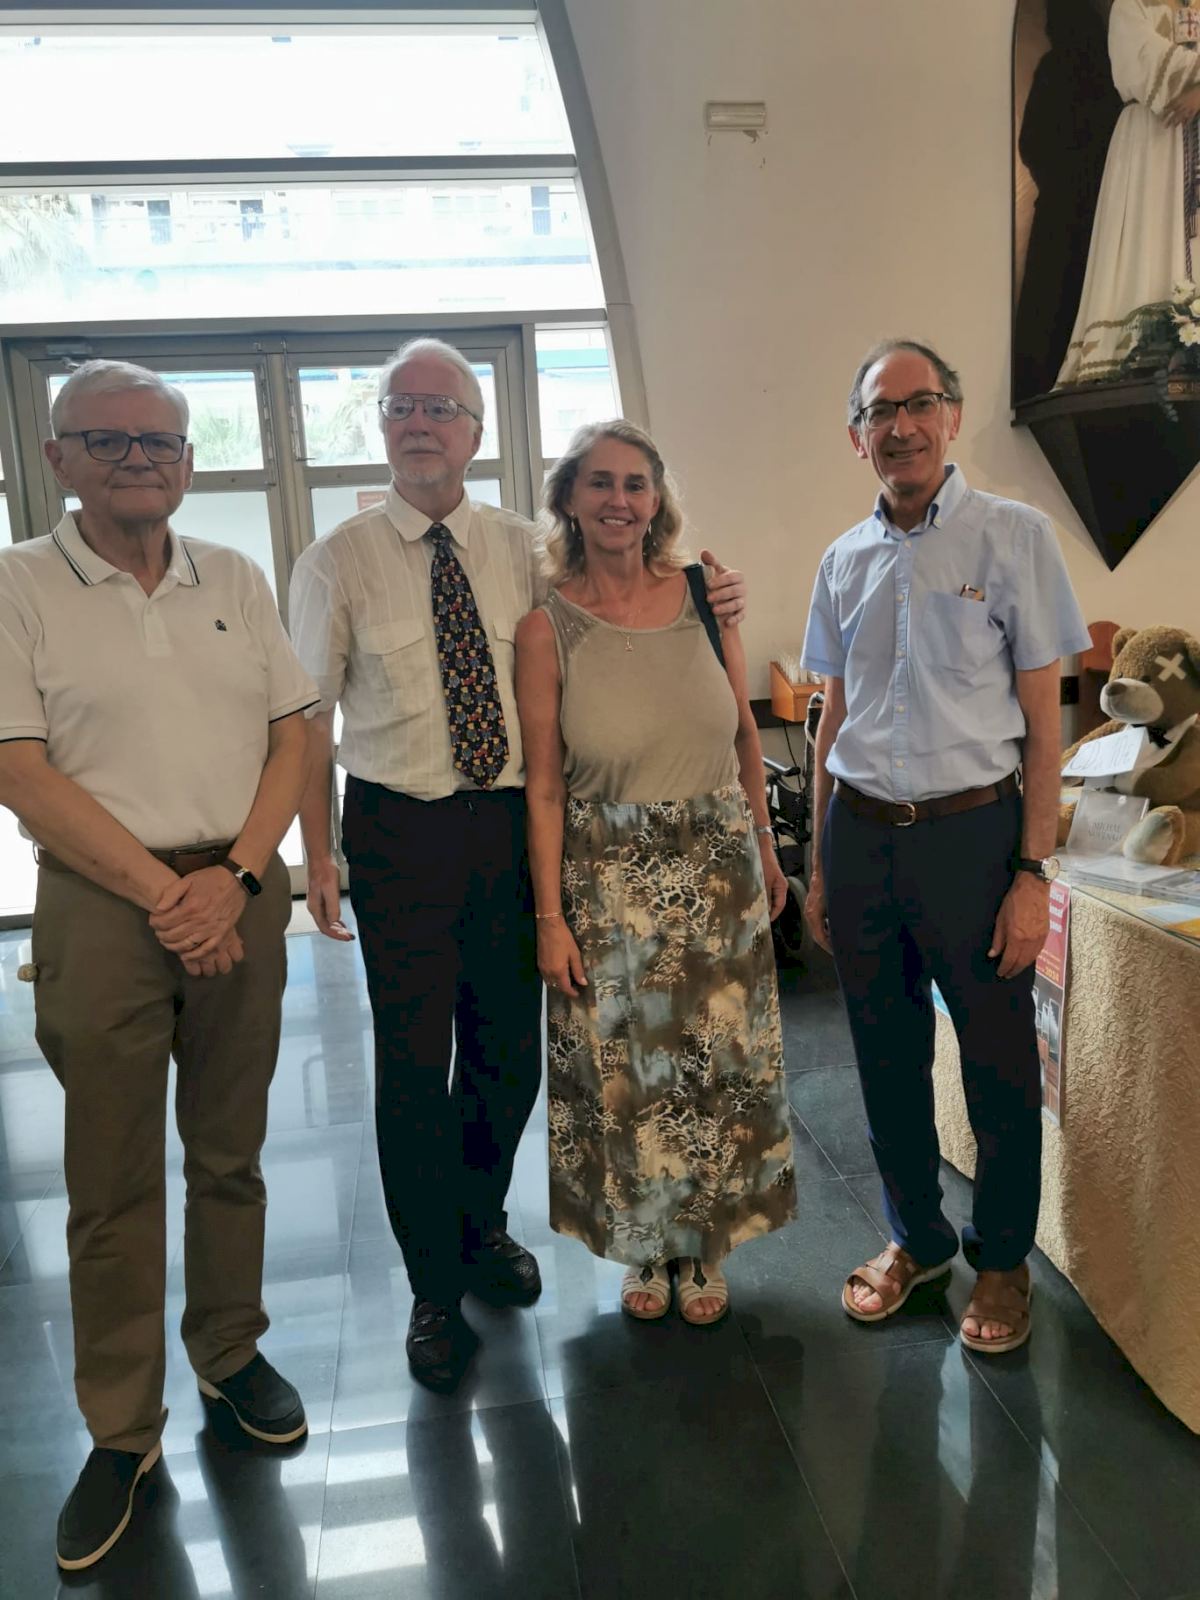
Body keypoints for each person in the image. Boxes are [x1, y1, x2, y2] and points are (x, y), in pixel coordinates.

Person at [289, 339, 751, 1382]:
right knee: (415, 1065)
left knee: (508, 1057)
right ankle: (430, 1287)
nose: (421, 425)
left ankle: (481, 1223)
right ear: (381, 425)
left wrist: (712, 598)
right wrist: (316, 852)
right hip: (400, 831)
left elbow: (623, 600)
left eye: (441, 409)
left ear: (476, 432)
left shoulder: (524, 552)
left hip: (510, 827)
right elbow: (308, 721)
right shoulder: (335, 562)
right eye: (402, 406)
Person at [0, 360, 316, 1570]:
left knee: (231, 1150)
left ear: (188, 461)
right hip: (102, 905)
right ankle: (122, 1430)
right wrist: (166, 896)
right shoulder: (20, 584)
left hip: (235, 889)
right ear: (59, 459)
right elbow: (18, 768)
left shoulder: (230, 574)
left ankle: (230, 1351)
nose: (140, 460)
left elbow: (295, 733)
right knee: (111, 1177)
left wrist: (236, 876)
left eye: (162, 443)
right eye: (111, 441)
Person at [801, 339, 1090, 1354]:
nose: (901, 427)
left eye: (918, 404)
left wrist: (1032, 873)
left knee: (999, 1062)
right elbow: (832, 719)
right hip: (862, 835)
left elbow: (1046, 728)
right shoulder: (842, 560)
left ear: (952, 417)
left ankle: (1002, 1259)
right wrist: (819, 866)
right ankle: (916, 1240)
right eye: (880, 412)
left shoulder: (1015, 537)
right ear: (857, 436)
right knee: (885, 1058)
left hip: (975, 839)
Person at [515, 420, 796, 1327]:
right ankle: (646, 1242)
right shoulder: (544, 628)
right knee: (628, 1075)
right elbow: (545, 784)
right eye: (599, 483)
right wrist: (550, 917)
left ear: (656, 500)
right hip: (606, 877)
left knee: (716, 1063)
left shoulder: (707, 598)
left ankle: (703, 1243)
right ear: (569, 499)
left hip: (717, 864)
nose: (619, 500)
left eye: (635, 484)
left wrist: (765, 843)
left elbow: (745, 733)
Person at [1057, 0, 1200, 385]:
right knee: (1147, 234)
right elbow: (1140, 58)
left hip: (1195, 143)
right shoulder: (1131, 5)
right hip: (1152, 137)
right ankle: (1141, 349)